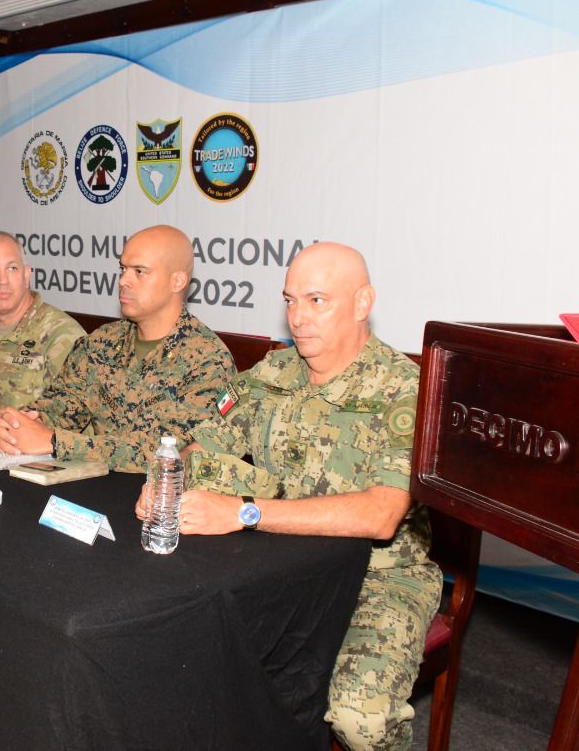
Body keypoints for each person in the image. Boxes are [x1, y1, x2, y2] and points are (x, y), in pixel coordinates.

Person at [158, 241, 441, 751]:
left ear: (362, 302)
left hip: (378, 576)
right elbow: (202, 445)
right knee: (184, 660)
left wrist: (245, 511)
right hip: (276, 566)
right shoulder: (272, 374)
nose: (298, 317)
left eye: (317, 301)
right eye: (290, 300)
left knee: (361, 722)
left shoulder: (405, 390)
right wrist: (165, 484)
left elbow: (381, 515)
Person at [0, 224, 232, 472]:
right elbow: (61, 405)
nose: (123, 281)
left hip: (156, 493)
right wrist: (19, 427)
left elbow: (167, 453)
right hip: (92, 487)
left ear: (177, 281)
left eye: (139, 271)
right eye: (123, 269)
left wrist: (55, 442)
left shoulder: (208, 362)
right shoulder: (102, 342)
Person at [0, 231, 85, 415]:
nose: (3, 281)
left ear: (27, 276)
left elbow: (73, 417)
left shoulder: (63, 335)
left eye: (12, 268)